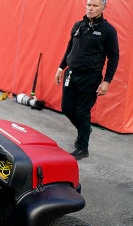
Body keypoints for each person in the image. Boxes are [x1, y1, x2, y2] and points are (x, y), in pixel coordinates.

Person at [55, 0, 118, 160]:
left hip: (91, 77)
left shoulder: (108, 31)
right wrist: (61, 68)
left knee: (82, 112)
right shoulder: (78, 26)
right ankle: (85, 130)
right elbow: (70, 48)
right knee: (67, 108)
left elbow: (114, 57)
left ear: (104, 7)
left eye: (95, 5)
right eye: (89, 5)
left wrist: (107, 81)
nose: (91, 8)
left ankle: (83, 148)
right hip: (72, 74)